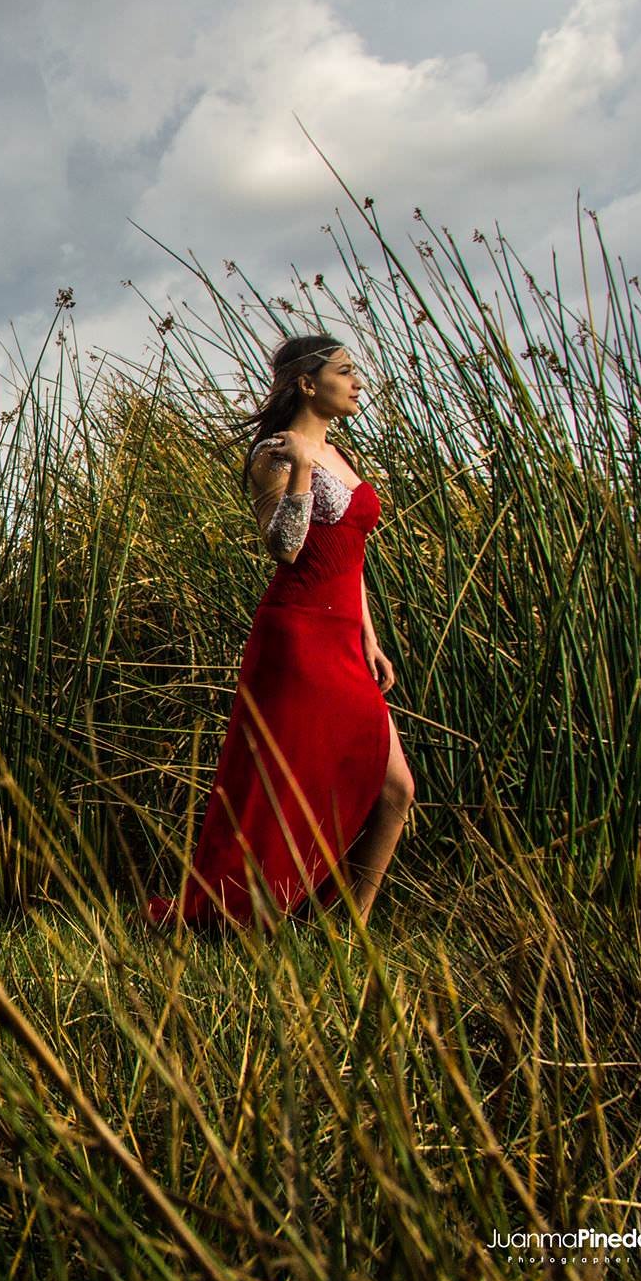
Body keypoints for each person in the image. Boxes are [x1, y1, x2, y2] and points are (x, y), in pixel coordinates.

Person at [143, 334, 416, 934]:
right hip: (297, 638)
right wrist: (301, 471)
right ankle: (245, 911)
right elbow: (285, 547)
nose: (358, 382)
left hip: (345, 635)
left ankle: (351, 931)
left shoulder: (342, 454)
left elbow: (352, 555)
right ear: (308, 384)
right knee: (282, 785)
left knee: (395, 789)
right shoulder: (273, 454)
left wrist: (369, 636)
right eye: (346, 371)